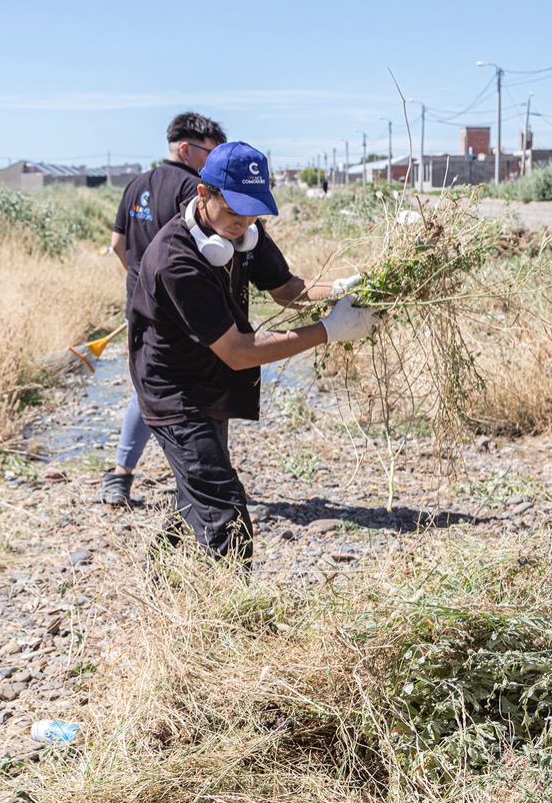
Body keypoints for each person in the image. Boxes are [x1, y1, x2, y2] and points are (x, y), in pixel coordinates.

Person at [129, 141, 375, 564]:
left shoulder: (244, 233)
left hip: (209, 381)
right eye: (233, 212)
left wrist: (341, 290)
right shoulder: (176, 259)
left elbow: (287, 289)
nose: (242, 224)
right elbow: (238, 352)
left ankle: (161, 579)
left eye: (252, 213)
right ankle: (229, 599)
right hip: (173, 392)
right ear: (203, 194)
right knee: (224, 511)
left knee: (196, 494)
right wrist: (328, 331)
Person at [102, 112, 227, 506]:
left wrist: (141, 282)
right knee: (182, 392)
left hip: (138, 303)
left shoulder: (136, 184)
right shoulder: (194, 189)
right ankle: (196, 486)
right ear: (186, 149)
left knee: (146, 385)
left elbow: (117, 244)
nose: (213, 162)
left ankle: (121, 475)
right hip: (179, 309)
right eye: (210, 153)